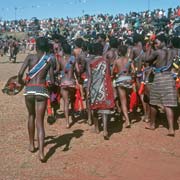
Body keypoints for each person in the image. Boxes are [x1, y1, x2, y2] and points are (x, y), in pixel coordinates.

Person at [18, 36, 55, 162]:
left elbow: (20, 74)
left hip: (29, 90)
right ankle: (41, 153)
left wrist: (21, 82)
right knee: (40, 122)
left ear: (36, 46)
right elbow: (52, 80)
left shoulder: (29, 57)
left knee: (31, 116)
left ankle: (31, 144)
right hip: (41, 90)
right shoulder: (49, 60)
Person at [144, 33, 177, 136]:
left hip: (159, 78)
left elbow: (146, 59)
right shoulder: (173, 51)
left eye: (157, 42)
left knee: (153, 102)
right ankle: (171, 129)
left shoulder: (157, 52)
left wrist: (149, 46)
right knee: (168, 105)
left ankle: (152, 124)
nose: (156, 44)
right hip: (169, 78)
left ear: (162, 42)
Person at [87, 42, 115, 140]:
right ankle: (105, 130)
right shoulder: (105, 61)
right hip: (105, 86)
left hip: (94, 87)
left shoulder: (90, 62)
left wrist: (88, 90)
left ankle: (96, 128)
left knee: (95, 107)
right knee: (105, 108)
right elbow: (109, 73)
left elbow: (90, 77)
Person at [58, 42, 77, 128]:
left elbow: (58, 69)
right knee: (72, 100)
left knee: (66, 102)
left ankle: (67, 122)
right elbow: (77, 70)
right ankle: (72, 115)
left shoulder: (60, 59)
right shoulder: (73, 59)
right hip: (72, 82)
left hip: (63, 82)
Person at [112, 45, 132, 128]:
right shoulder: (129, 60)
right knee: (127, 98)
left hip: (120, 81)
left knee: (123, 101)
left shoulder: (117, 61)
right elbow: (133, 71)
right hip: (128, 80)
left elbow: (112, 72)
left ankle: (127, 120)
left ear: (119, 52)